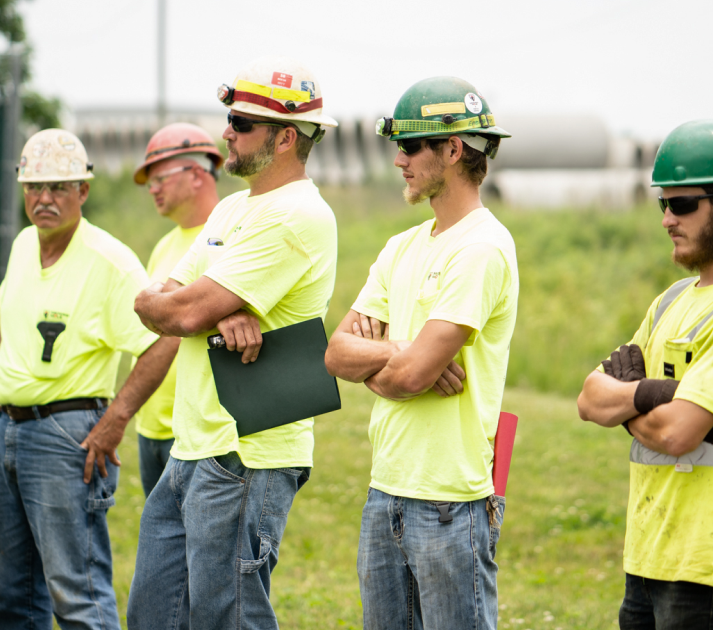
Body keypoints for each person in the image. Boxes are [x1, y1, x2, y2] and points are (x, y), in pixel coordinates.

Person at [130, 55, 338, 629]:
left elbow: (182, 305)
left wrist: (195, 307)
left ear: (287, 137)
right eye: (231, 120)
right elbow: (159, 302)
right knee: (152, 615)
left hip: (247, 454)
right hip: (194, 446)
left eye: (242, 125)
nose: (227, 133)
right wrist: (208, 310)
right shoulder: (231, 208)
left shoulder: (299, 215)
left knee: (228, 619)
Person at [576, 120, 713, 629]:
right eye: (663, 204)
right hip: (648, 556)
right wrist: (655, 392)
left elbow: (676, 433)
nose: (668, 218)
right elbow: (589, 399)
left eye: (683, 204)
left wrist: (628, 400)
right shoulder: (671, 300)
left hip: (712, 571)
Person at [322, 77, 517, 629]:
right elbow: (336, 354)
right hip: (386, 490)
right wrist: (402, 353)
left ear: (453, 150)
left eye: (409, 146)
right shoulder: (400, 246)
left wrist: (387, 361)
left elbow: (410, 377)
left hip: (450, 502)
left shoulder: (481, 248)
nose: (397, 160)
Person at [0, 128, 178, 629]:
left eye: (59, 187)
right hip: (8, 429)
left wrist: (116, 419)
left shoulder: (109, 262)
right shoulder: (26, 243)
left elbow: (163, 339)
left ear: (83, 191)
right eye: (34, 187)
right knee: (5, 589)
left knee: (77, 592)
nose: (44, 199)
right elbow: (1, 301)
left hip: (69, 436)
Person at [130, 122, 223, 497]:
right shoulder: (166, 244)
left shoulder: (226, 237)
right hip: (150, 428)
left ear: (198, 174)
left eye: (160, 178)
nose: (153, 188)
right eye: (149, 181)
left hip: (198, 435)